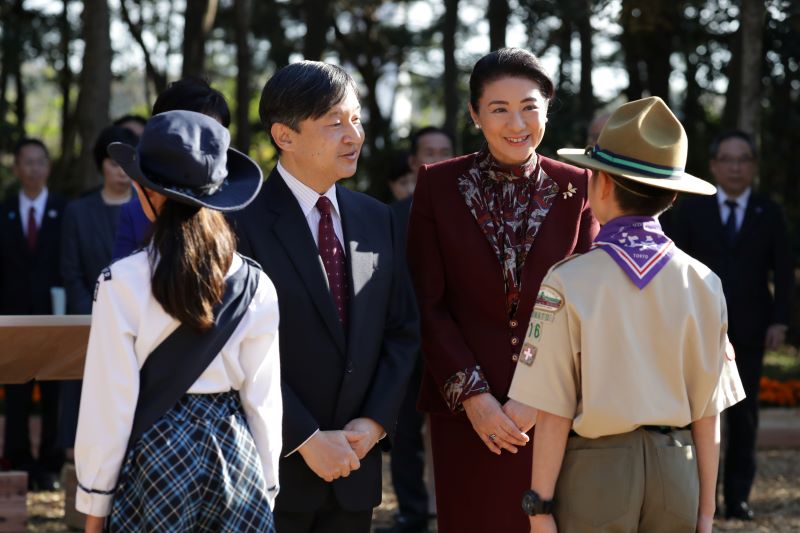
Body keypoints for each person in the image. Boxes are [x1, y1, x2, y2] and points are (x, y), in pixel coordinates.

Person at [507, 96, 746, 533]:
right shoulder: (704, 282)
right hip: (678, 470)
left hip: (598, 475)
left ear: (600, 184)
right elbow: (709, 412)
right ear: (673, 194)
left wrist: (539, 506)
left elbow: (553, 407)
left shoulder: (569, 280)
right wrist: (706, 511)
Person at [406, 48, 599, 533]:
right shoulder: (438, 184)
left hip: (554, 417)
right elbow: (426, 301)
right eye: (499, 108)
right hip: (467, 415)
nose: (518, 122)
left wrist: (541, 395)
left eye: (530, 106)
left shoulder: (578, 187)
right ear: (474, 114)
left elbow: (591, 305)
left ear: (547, 110)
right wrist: (475, 397)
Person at [228, 60, 419, 533]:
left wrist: (373, 423)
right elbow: (234, 343)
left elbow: (401, 331)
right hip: (273, 467)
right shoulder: (239, 222)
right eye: (334, 122)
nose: (352, 135)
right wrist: (307, 438)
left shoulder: (377, 218)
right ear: (284, 136)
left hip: (357, 465)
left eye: (355, 119)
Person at [74, 110, 282, 532]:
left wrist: (95, 506)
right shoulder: (256, 284)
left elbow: (108, 406)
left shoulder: (120, 282)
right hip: (235, 452)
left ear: (148, 192)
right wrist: (268, 489)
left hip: (156, 454)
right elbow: (263, 404)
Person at [668, 130, 793, 521]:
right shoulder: (690, 211)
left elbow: (785, 273)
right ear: (714, 165)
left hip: (754, 330)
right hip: (700, 328)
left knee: (744, 416)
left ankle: (737, 499)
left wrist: (781, 321)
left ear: (752, 166)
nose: (735, 166)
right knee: (699, 416)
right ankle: (701, 499)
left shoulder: (768, 212)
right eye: (728, 159)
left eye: (743, 159)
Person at [379, 126, 454, 533]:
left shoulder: (471, 211)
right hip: (407, 344)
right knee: (405, 434)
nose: (437, 159)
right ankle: (412, 512)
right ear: (413, 161)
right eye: (429, 151)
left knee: (455, 434)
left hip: (459, 345)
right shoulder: (391, 216)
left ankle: (454, 509)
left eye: (445, 151)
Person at [58, 125, 139, 454]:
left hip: (139, 322)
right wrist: (91, 314)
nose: (120, 171)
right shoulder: (78, 212)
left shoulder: (149, 207)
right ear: (100, 165)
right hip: (88, 323)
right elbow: (70, 271)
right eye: (112, 162)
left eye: (126, 162)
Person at [0, 138, 67, 490]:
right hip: (12, 319)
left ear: (48, 167)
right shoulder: (4, 211)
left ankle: (50, 465)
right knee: (16, 392)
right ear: (16, 168)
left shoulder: (64, 210)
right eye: (27, 162)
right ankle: (15, 458)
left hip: (53, 319)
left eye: (40, 162)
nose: (34, 169)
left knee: (53, 391)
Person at [111, 78, 232, 260]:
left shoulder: (237, 209)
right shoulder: (136, 211)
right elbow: (120, 277)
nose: (200, 142)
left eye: (212, 134)